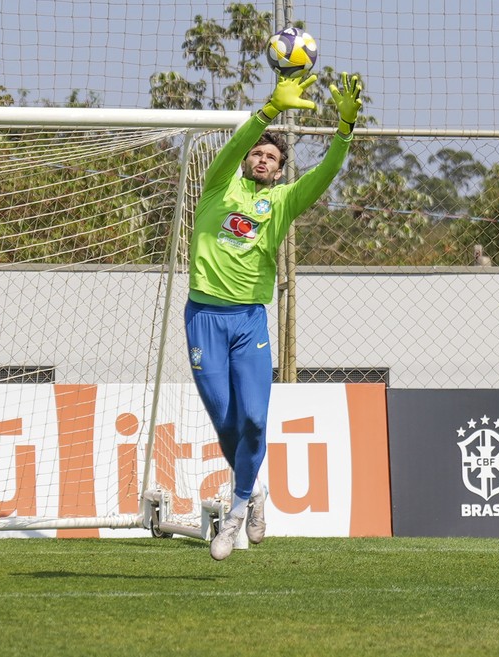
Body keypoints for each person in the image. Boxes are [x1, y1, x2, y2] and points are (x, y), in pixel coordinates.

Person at [186, 71, 363, 560]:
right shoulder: (218, 187)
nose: (263, 159)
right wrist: (266, 110)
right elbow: (234, 144)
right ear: (246, 159)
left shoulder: (282, 202)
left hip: (248, 322)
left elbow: (325, 174)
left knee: (255, 423)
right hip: (204, 318)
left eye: (273, 158)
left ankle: (238, 511)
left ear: (281, 170)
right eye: (258, 153)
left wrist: (345, 129)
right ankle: (256, 489)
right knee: (226, 424)